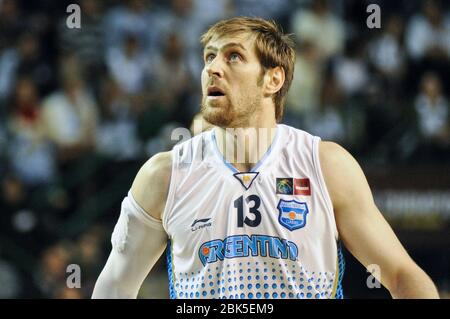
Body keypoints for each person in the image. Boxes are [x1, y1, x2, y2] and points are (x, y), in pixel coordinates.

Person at [92, 17, 439, 299]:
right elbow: (114, 287)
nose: (213, 68)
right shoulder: (164, 174)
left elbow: (402, 275)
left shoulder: (326, 165)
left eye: (233, 57)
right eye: (208, 57)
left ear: (273, 79)